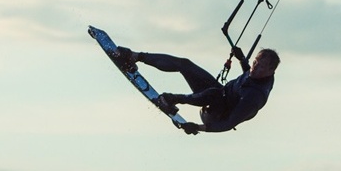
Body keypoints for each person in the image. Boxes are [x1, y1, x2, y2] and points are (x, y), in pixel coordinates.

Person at [114, 45, 279, 135]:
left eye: (261, 66)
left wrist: (197, 127)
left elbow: (228, 124)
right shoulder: (257, 73)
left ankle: (172, 98)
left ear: (271, 71)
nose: (255, 67)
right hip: (218, 94)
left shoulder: (255, 97)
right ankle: (135, 56)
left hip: (215, 116)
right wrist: (242, 59)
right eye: (255, 62)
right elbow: (247, 73)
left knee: (214, 94)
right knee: (185, 64)